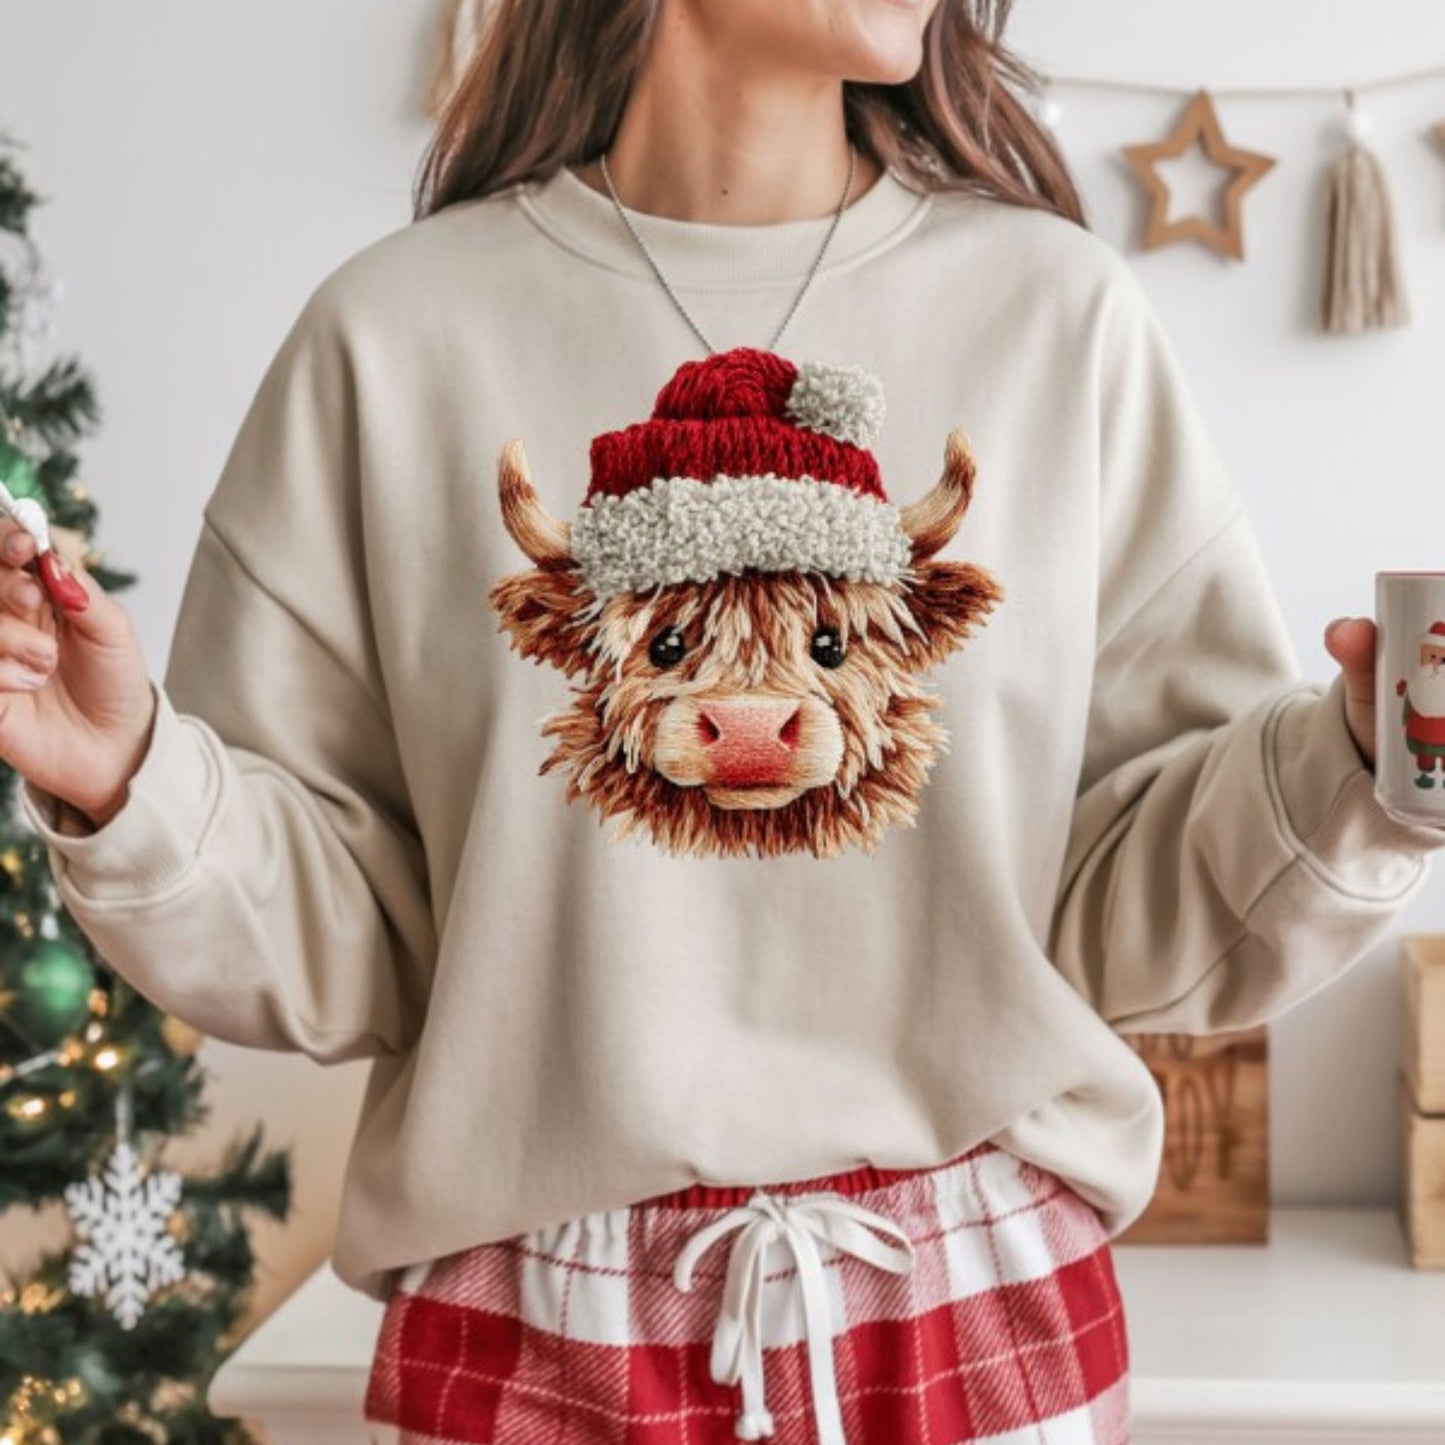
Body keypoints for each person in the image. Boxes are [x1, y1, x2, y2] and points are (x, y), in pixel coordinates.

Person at [10, 1, 1445, 1441]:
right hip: (529, 1331)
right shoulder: (390, 340)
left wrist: (1361, 765)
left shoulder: (1058, 318)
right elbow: (354, 939)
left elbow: (1131, 903)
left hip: (975, 1311)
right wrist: (134, 780)